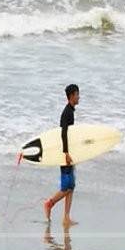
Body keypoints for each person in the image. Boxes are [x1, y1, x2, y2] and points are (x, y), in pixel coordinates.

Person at [43, 84, 79, 226]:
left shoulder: (70, 111)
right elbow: (63, 133)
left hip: (69, 152)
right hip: (65, 153)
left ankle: (66, 218)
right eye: (77, 94)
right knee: (67, 187)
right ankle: (49, 203)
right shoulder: (67, 113)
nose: (79, 97)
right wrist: (66, 153)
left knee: (72, 186)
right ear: (71, 96)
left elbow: (69, 135)